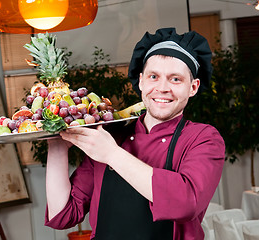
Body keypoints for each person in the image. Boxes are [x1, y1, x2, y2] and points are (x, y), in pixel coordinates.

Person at [44, 28, 225, 240]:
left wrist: (111, 154)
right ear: (141, 81)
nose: (162, 88)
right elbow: (63, 215)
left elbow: (185, 203)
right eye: (154, 76)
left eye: (175, 79)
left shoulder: (203, 138)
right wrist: (56, 145)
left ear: (193, 87)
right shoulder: (112, 136)